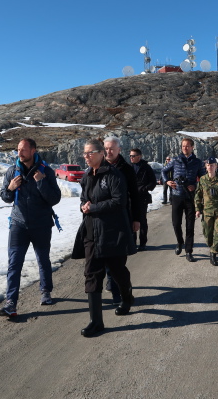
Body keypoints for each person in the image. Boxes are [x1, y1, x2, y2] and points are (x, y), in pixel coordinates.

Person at [72, 139, 135, 337]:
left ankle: (127, 297)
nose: (86, 156)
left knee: (117, 271)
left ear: (100, 153)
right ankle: (96, 322)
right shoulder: (87, 176)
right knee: (92, 274)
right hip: (92, 232)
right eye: (85, 153)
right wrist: (84, 206)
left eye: (90, 153)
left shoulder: (114, 175)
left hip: (112, 232)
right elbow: (85, 198)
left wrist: (95, 207)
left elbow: (119, 201)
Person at [0, 138, 62, 317]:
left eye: (23, 150)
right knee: (14, 263)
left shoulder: (46, 171)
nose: (19, 153)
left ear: (33, 150)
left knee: (43, 260)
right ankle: (11, 302)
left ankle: (45, 291)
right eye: (18, 150)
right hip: (19, 225)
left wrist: (41, 182)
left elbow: (55, 199)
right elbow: (5, 196)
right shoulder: (12, 171)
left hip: (41, 225)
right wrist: (10, 188)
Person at [103, 136, 141, 305]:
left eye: (112, 149)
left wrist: (137, 219)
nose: (108, 152)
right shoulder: (99, 166)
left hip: (121, 218)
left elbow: (135, 195)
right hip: (102, 219)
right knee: (104, 255)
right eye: (106, 148)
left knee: (118, 258)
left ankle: (120, 290)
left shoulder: (126, 169)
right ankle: (114, 284)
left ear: (119, 150)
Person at [161, 138, 206, 262]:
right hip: (176, 196)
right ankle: (180, 242)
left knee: (190, 225)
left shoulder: (197, 162)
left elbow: (203, 178)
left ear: (192, 147)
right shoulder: (175, 160)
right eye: (183, 146)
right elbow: (164, 171)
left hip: (190, 198)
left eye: (187, 146)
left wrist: (195, 185)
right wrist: (167, 181)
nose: (185, 148)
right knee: (176, 223)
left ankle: (188, 251)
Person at [129, 148, 157, 251]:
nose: (131, 158)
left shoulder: (146, 168)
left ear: (139, 157)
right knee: (131, 220)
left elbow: (153, 182)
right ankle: (132, 242)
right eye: (130, 156)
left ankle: (143, 243)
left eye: (133, 156)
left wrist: (143, 188)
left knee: (141, 220)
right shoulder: (128, 167)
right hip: (130, 198)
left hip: (142, 198)